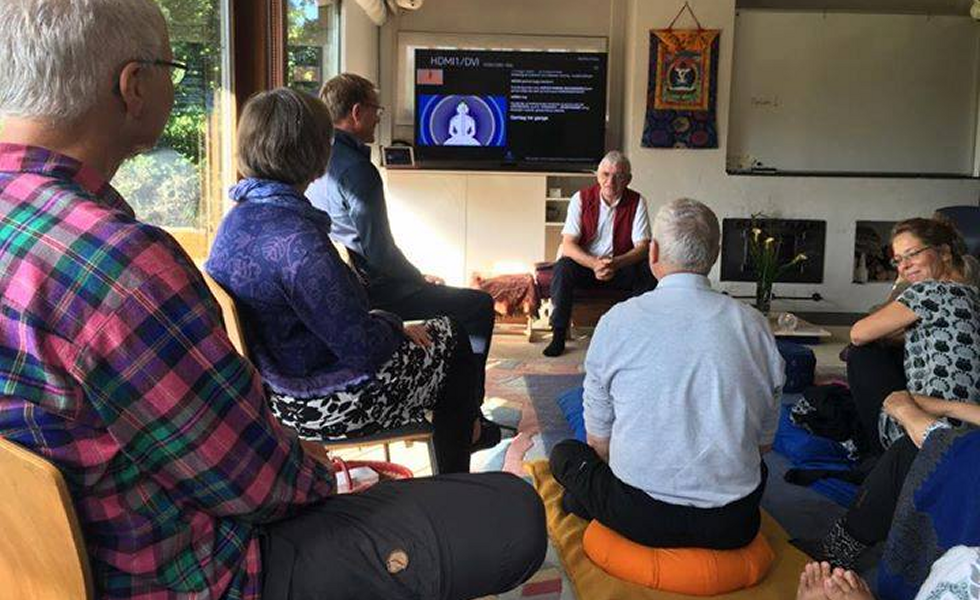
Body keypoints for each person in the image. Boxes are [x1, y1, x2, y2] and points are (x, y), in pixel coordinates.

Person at [0, 3, 546, 599]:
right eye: (171, 69)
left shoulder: (225, 224)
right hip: (206, 567)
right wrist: (322, 466)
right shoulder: (121, 268)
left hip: (42, 567)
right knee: (513, 511)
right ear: (133, 86)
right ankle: (462, 442)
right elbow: (259, 484)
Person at [206, 88, 494, 474]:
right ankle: (458, 475)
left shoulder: (234, 222)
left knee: (430, 341)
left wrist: (387, 324)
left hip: (272, 392)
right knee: (452, 336)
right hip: (319, 402)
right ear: (314, 153)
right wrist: (393, 324)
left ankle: (462, 430)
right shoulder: (299, 241)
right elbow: (364, 348)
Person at [549, 198, 785, 549]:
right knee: (756, 470)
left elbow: (599, 445)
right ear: (716, 254)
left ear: (653, 252)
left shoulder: (617, 321)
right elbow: (763, 446)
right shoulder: (756, 326)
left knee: (565, 455)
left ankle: (590, 504)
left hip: (641, 517)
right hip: (733, 525)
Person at [306, 73, 498, 428]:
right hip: (376, 294)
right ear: (357, 112)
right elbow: (380, 253)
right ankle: (469, 415)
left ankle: (463, 409)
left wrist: (414, 276)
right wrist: (418, 279)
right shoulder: (358, 170)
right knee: (479, 306)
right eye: (376, 110)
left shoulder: (317, 163)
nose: (379, 118)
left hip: (349, 289)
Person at [808, 217, 980, 569]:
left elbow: (858, 332)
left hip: (928, 424)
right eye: (898, 260)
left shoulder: (928, 292)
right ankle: (877, 456)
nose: (904, 266)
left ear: (944, 253)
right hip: (965, 420)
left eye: (912, 255)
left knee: (860, 353)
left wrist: (899, 286)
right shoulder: (972, 296)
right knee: (880, 350)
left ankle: (839, 547)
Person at [542, 151, 657, 357]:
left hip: (619, 267)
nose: (610, 182)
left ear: (628, 179)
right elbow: (568, 245)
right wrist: (594, 264)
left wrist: (615, 263)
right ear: (597, 175)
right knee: (563, 267)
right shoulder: (580, 199)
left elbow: (642, 247)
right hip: (586, 267)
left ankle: (637, 332)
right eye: (605, 174)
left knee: (647, 269)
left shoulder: (637, 201)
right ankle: (558, 335)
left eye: (618, 176)